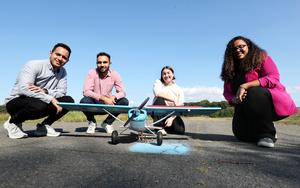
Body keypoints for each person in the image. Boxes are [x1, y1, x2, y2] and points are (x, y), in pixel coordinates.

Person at [221, 36, 297, 148]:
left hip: (266, 101)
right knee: (242, 136)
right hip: (243, 107)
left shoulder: (261, 57)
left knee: (254, 91)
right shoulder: (231, 69)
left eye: (241, 46)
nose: (237, 50)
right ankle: (259, 130)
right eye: (234, 49)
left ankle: (267, 134)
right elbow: (226, 92)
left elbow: (274, 77)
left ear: (249, 46)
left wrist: (246, 85)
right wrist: (233, 99)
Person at [4, 43, 74, 139]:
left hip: (40, 101)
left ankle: (43, 126)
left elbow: (62, 92)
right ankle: (13, 122)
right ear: (51, 53)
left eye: (64, 57)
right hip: (16, 101)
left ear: (67, 60)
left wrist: (45, 91)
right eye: (57, 54)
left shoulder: (63, 72)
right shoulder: (33, 65)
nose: (60, 58)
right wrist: (50, 98)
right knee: (40, 104)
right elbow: (24, 89)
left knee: (68, 101)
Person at [80, 52, 129, 134]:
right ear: (96, 63)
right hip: (94, 103)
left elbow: (122, 92)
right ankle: (92, 122)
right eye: (99, 62)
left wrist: (114, 97)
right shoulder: (91, 72)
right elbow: (86, 92)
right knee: (84, 101)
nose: (102, 65)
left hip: (109, 105)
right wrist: (103, 98)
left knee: (124, 101)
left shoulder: (115, 74)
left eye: (105, 62)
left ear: (110, 63)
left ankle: (107, 123)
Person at [152, 66, 185, 135]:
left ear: (173, 74)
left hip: (172, 113)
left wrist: (171, 118)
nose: (166, 75)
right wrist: (172, 99)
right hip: (159, 112)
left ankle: (166, 127)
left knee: (180, 130)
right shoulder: (158, 82)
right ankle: (159, 128)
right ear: (161, 76)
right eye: (164, 74)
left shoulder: (179, 89)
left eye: (168, 73)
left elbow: (180, 105)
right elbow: (157, 93)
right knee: (159, 99)